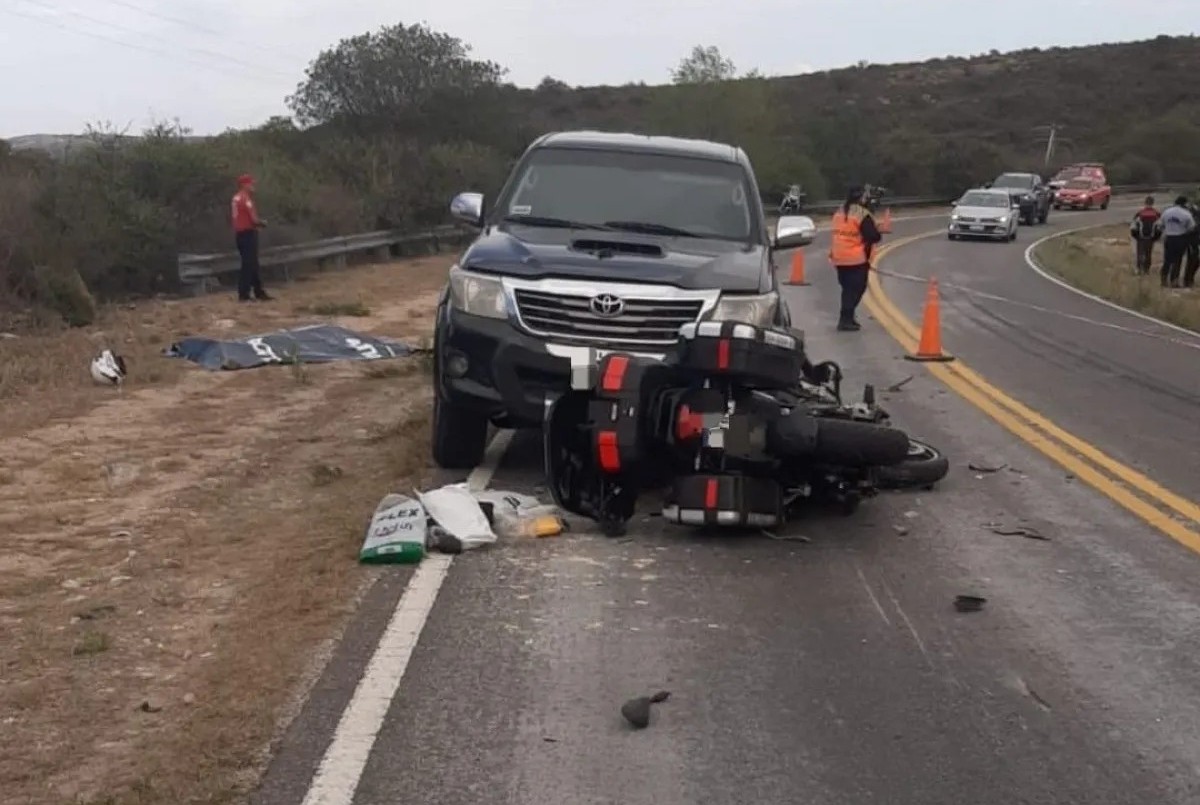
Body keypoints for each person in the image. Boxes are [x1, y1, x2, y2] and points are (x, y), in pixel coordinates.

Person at [829, 185, 883, 331]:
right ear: (861, 197)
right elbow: (873, 236)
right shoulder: (862, 214)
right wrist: (877, 231)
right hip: (855, 258)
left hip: (838, 257)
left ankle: (848, 317)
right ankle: (845, 319)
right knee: (857, 288)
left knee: (847, 289)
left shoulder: (840, 211)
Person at [231, 173, 272, 302]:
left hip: (240, 234)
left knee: (252, 263)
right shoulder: (245, 199)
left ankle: (259, 291)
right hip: (247, 233)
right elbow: (253, 219)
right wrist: (262, 223)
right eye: (250, 183)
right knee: (249, 264)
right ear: (244, 185)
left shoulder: (235, 198)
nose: (253, 186)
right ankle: (244, 294)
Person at [1156, 195, 1195, 288]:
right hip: (1180, 238)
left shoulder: (1166, 212)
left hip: (1169, 237)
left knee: (1167, 260)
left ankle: (1163, 280)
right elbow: (1191, 227)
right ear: (1184, 203)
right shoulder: (1186, 213)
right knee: (1177, 260)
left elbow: (1160, 225)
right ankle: (1174, 281)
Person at [1129, 196, 1161, 276]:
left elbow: (1133, 226)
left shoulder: (1140, 213)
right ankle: (1146, 270)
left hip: (1140, 238)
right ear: (1153, 203)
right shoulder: (1156, 214)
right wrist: (1155, 238)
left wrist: (1136, 236)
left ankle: (1140, 269)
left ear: (1145, 202)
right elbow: (1160, 227)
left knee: (1140, 253)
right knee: (1148, 254)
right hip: (1150, 238)